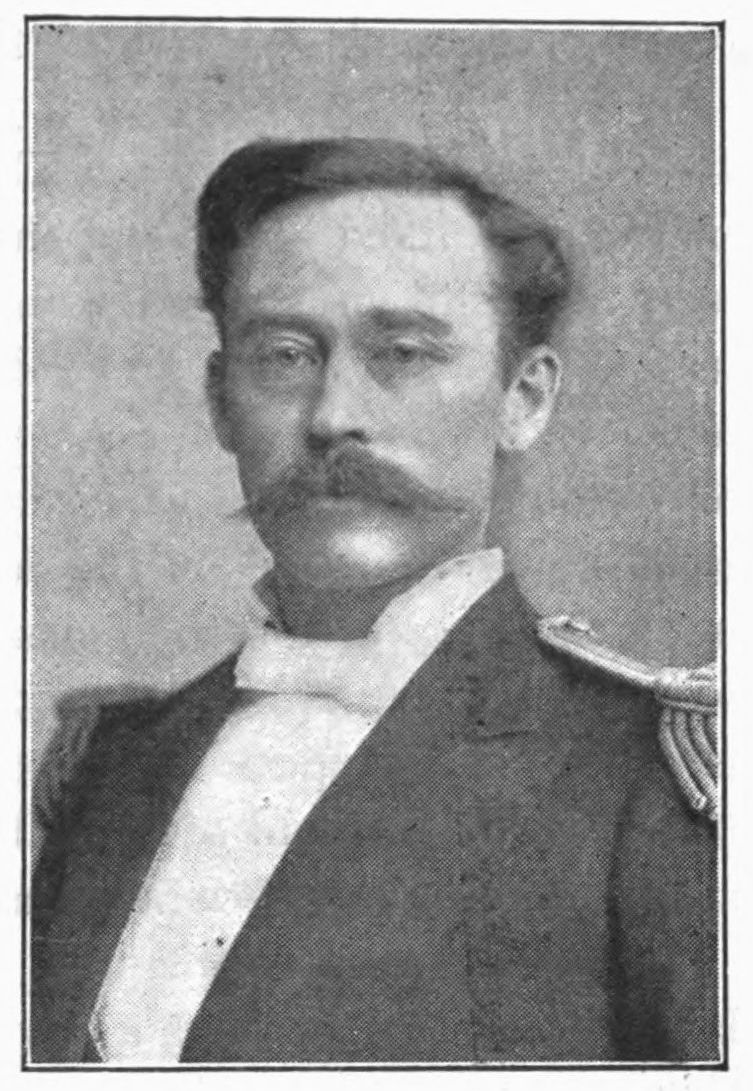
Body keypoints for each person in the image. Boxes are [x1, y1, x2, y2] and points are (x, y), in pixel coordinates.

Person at [30, 138, 719, 1065]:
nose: (331, 417)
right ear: (220, 401)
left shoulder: (644, 784)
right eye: (284, 355)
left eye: (401, 352)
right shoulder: (110, 769)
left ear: (523, 399)